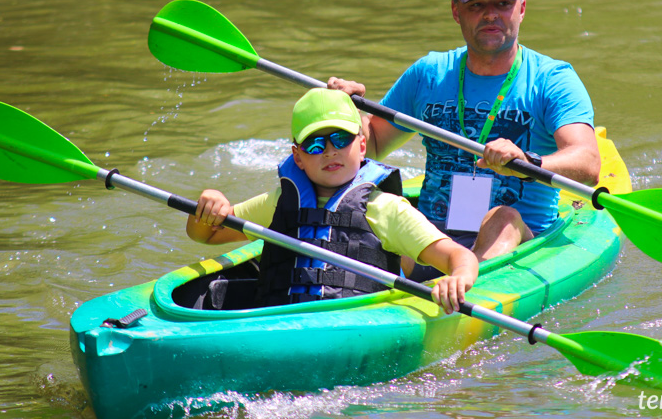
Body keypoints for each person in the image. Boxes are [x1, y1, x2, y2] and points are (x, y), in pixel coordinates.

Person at [328, 0, 600, 283]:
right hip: (435, 245)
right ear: (456, 12)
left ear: (522, 9)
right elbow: (368, 146)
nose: (490, 14)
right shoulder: (428, 74)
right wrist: (346, 109)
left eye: (502, 3)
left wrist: (527, 160)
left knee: (502, 216)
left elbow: (588, 162)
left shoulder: (552, 79)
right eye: (476, 5)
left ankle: (467, 285)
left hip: (517, 245)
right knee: (378, 205)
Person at [185, 88, 478, 313]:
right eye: (315, 143)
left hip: (354, 327)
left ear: (362, 146)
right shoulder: (279, 204)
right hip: (277, 321)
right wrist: (209, 205)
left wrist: (459, 278)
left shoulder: (385, 208)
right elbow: (206, 234)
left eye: (340, 139)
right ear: (297, 157)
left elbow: (458, 256)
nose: (329, 151)